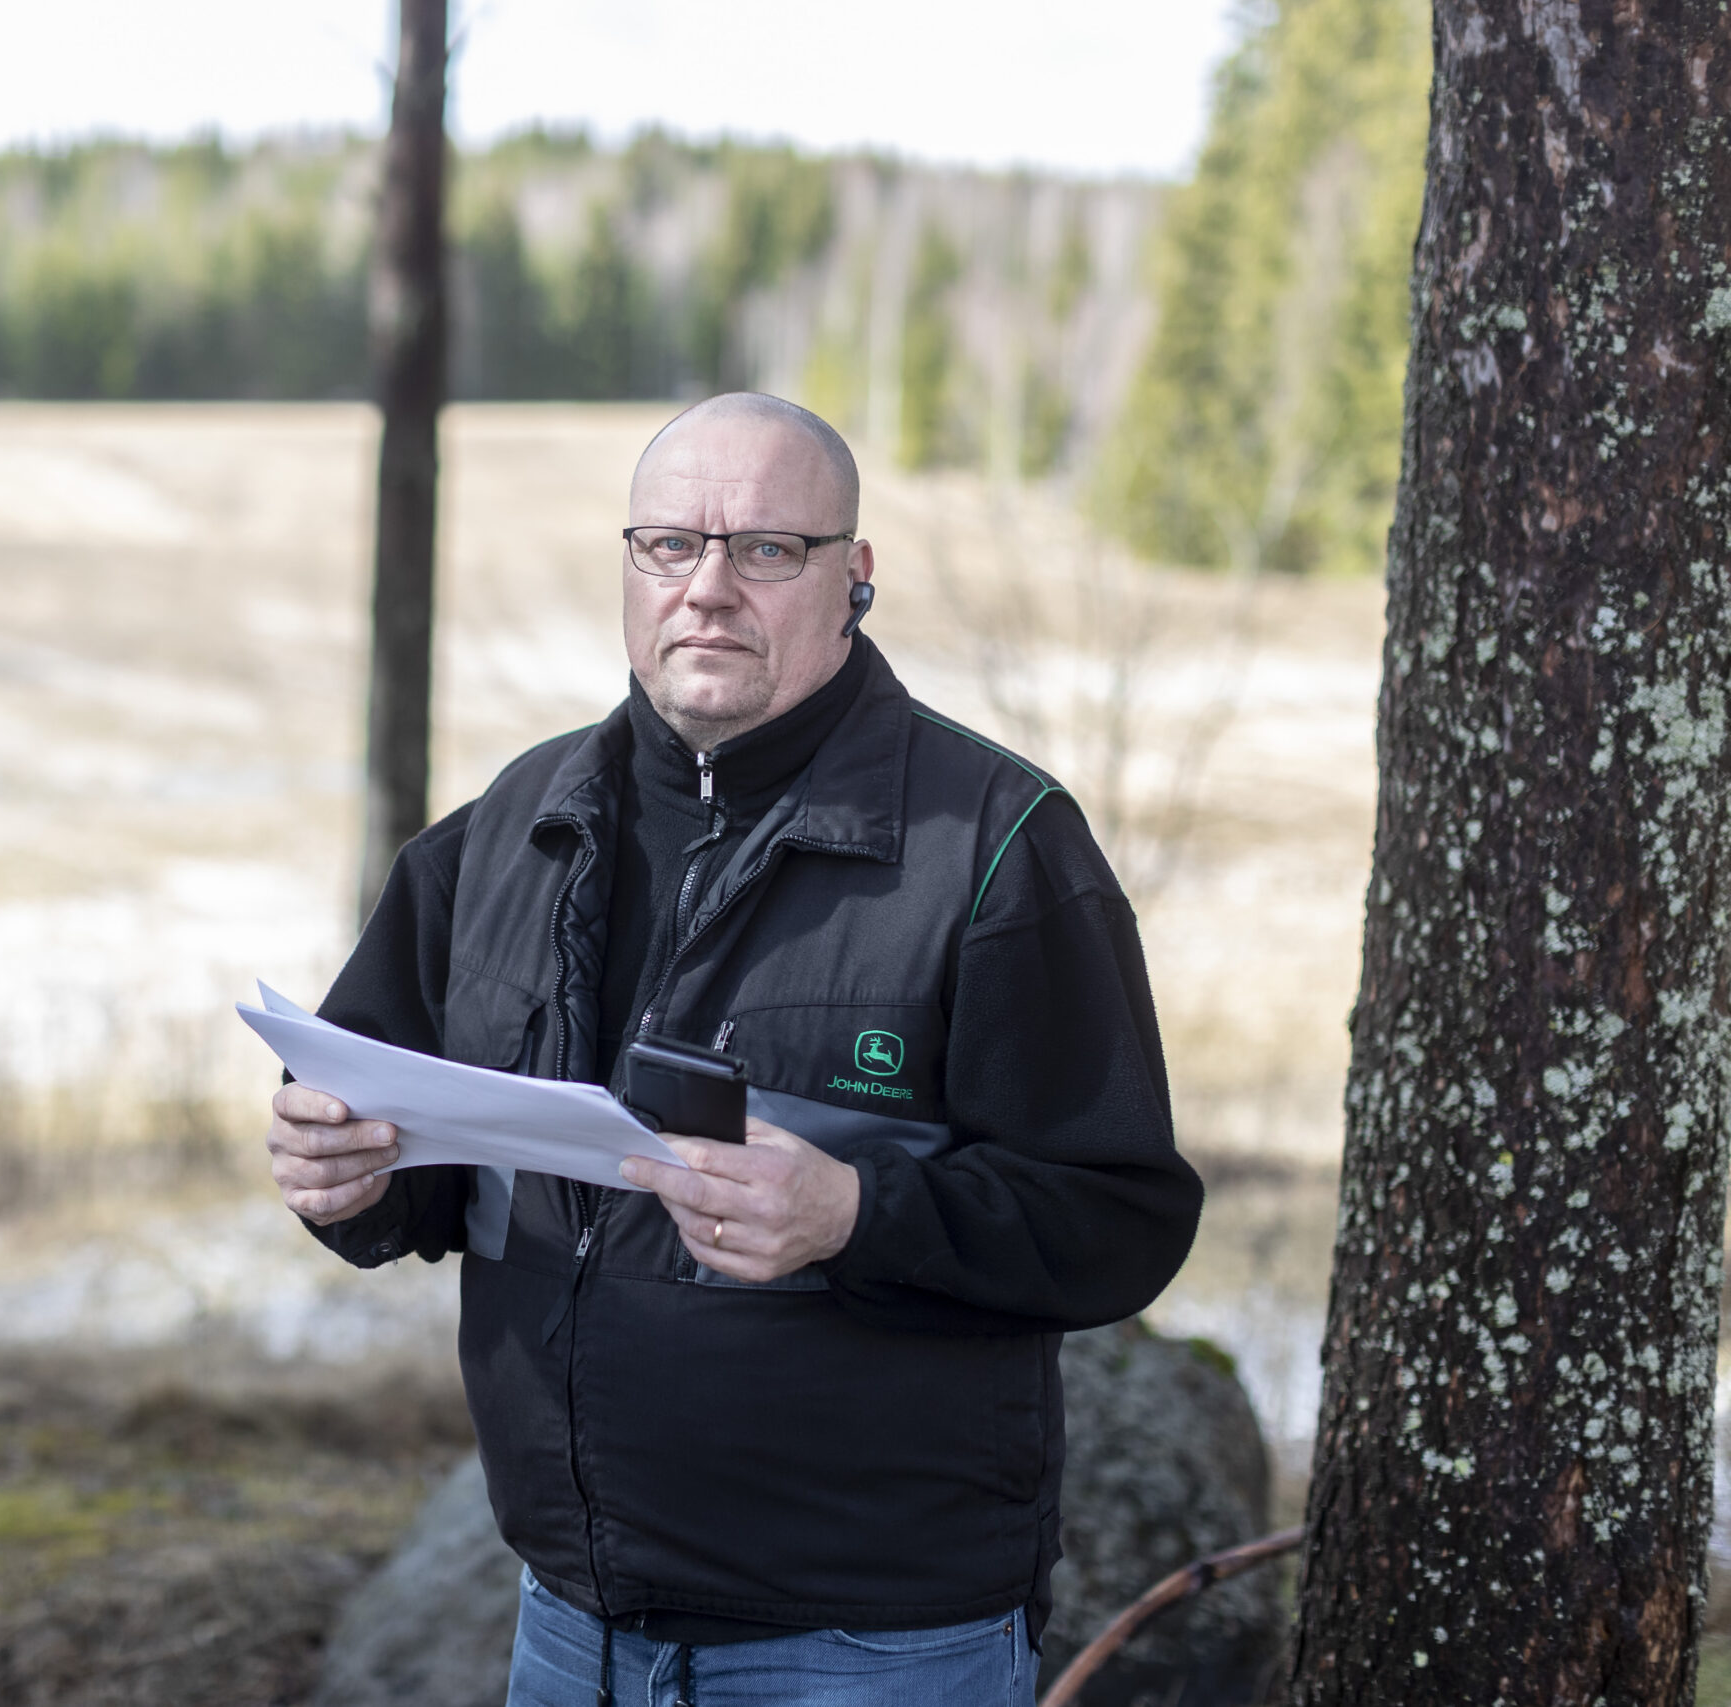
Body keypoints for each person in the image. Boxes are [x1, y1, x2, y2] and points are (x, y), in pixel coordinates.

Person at [266, 392, 1202, 1707]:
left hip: (873, 1646)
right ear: (631, 568)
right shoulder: (501, 835)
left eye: (767, 550)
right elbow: (414, 1166)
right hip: (568, 1625)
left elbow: (1120, 1221)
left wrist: (854, 1216)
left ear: (853, 580)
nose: (708, 588)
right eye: (670, 546)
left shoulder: (992, 844)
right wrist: (339, 1174)